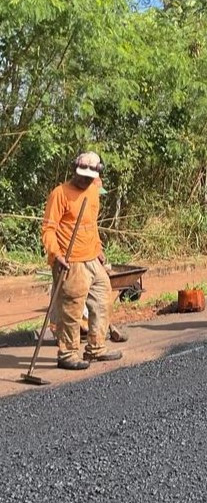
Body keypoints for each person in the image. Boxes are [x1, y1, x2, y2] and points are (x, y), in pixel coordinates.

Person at [41, 151, 122, 370]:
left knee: (103, 298)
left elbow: (91, 225)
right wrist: (56, 255)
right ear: (74, 171)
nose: (83, 180)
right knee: (72, 309)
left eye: (89, 177)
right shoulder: (60, 194)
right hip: (70, 261)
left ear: (96, 175)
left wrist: (98, 248)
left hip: (92, 258)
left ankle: (96, 348)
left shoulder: (94, 192)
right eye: (81, 175)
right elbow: (48, 229)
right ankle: (67, 353)